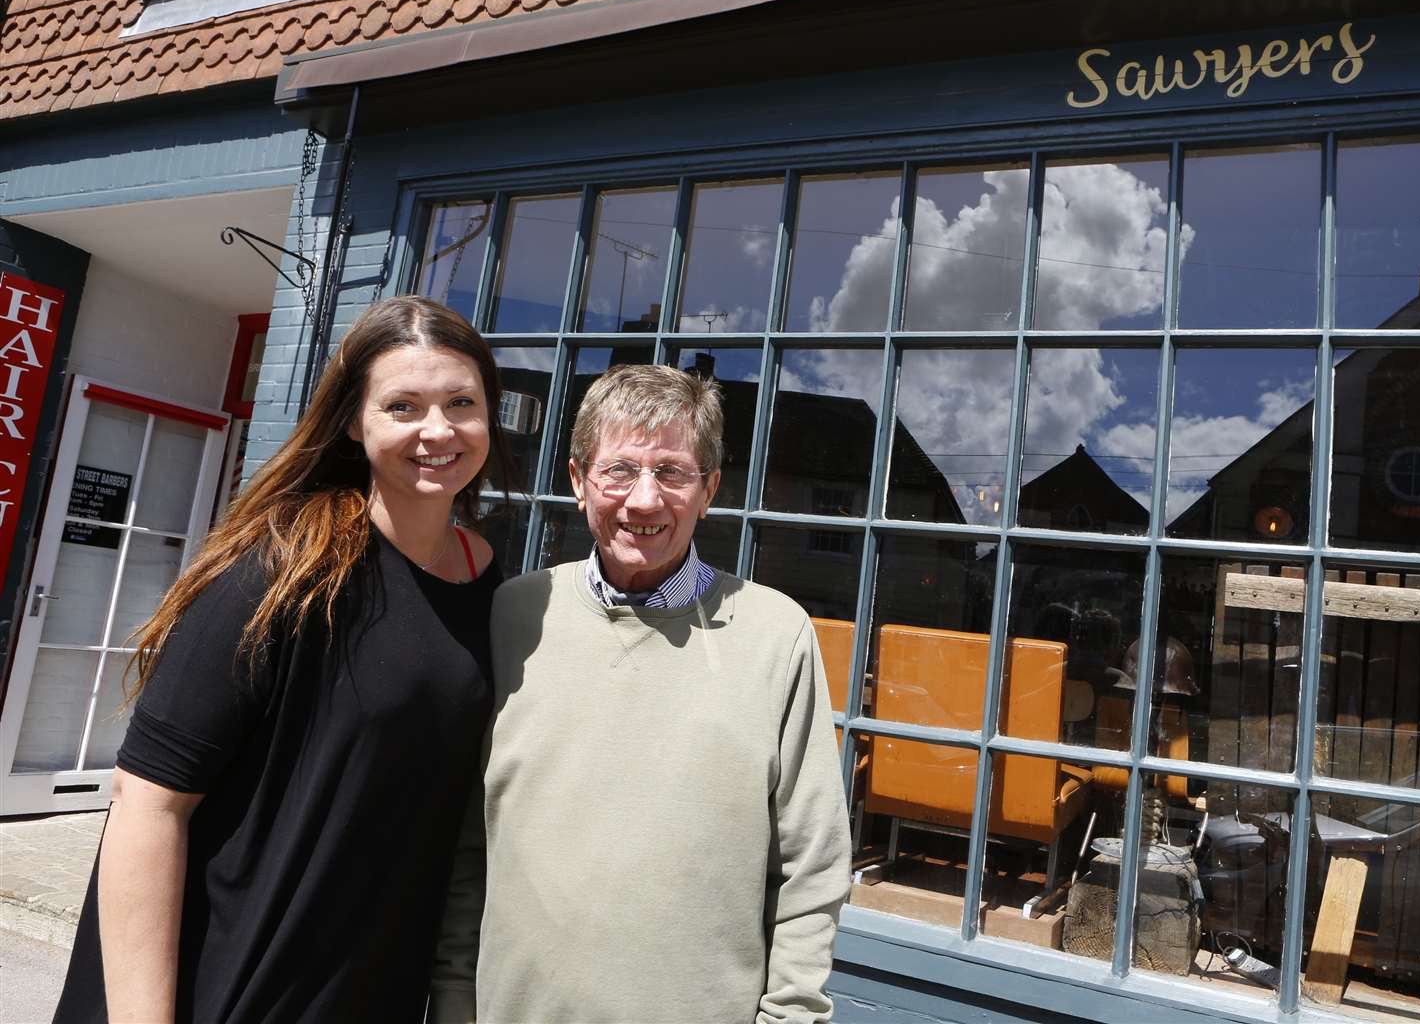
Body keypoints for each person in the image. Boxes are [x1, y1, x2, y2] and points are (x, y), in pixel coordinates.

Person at [53, 295, 510, 1023]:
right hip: (232, 984)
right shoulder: (282, 572)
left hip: (374, 988)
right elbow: (147, 803)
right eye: (402, 406)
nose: (438, 430)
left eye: (462, 401)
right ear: (354, 423)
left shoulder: (492, 584)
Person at [431, 364, 852, 1024]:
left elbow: (814, 865)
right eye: (620, 470)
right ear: (577, 481)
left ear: (709, 488)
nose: (645, 500)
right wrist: (455, 1006)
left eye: (674, 473)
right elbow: (467, 849)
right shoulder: (514, 616)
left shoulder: (776, 634)